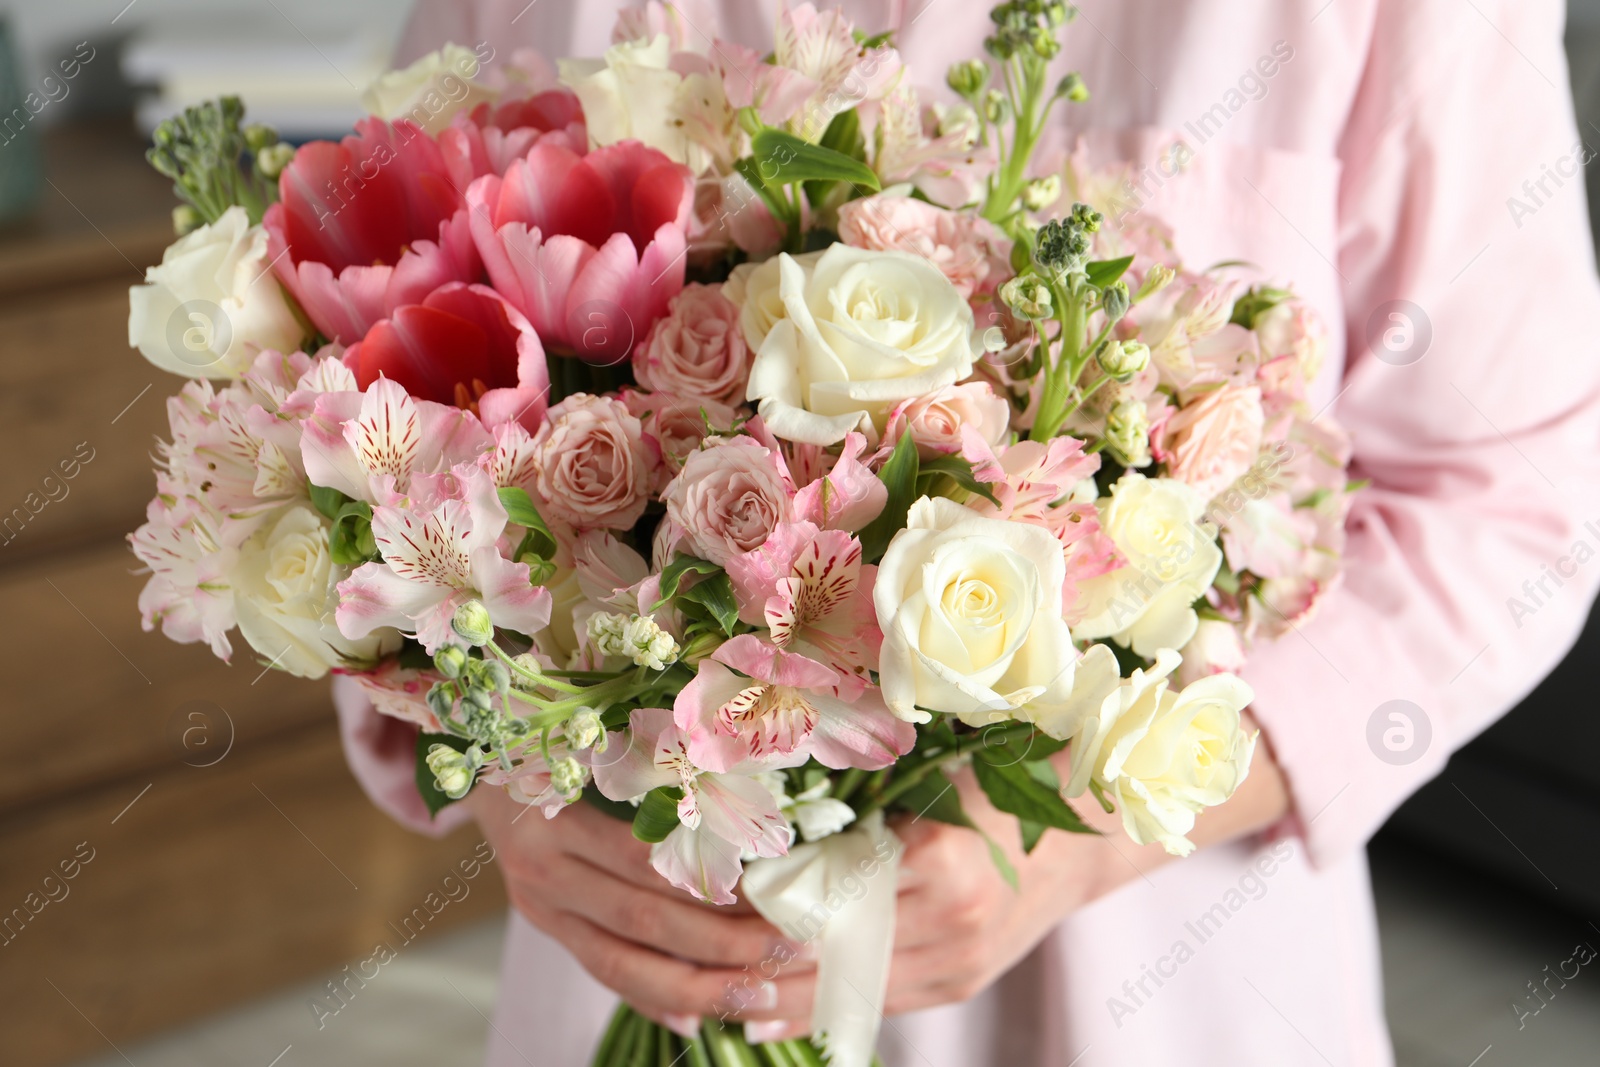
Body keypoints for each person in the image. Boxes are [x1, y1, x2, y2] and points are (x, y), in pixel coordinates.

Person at [334, 1, 1600, 1062]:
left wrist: (1071, 840)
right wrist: (513, 778)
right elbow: (366, 384)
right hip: (651, 934)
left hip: (1165, 969)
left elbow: (1522, 497)